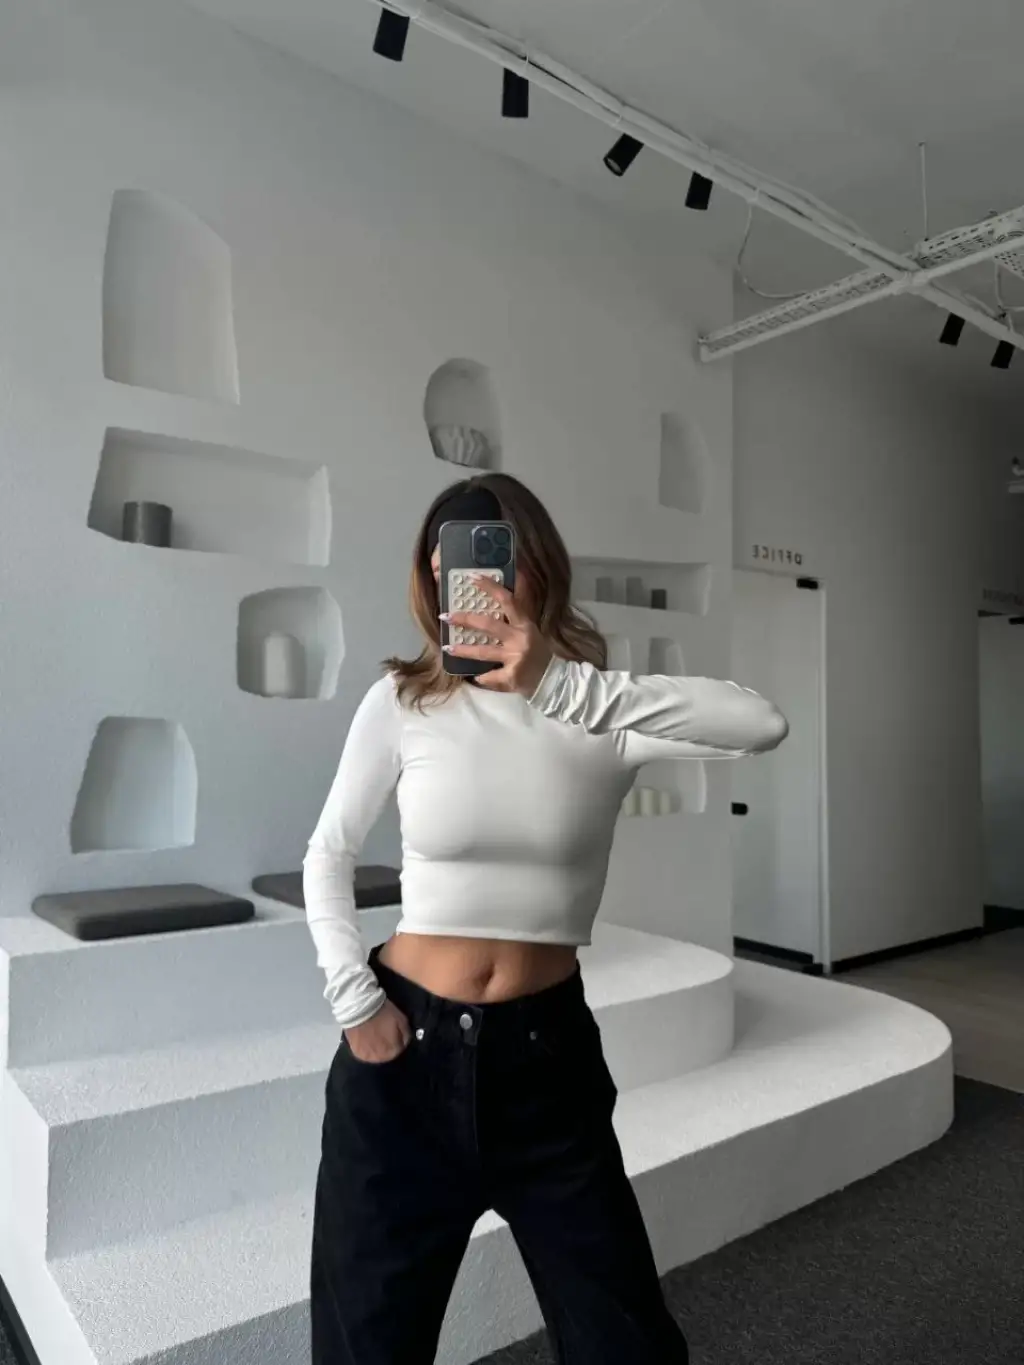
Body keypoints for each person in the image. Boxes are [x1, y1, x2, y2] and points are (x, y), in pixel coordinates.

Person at [305, 473, 788, 1365]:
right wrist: (353, 999)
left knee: (626, 1347)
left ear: (535, 565)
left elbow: (761, 722)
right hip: (404, 1065)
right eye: (447, 571)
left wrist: (560, 685)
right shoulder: (404, 701)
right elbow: (328, 851)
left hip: (546, 1065)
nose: (468, 588)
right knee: (366, 1350)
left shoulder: (598, 707)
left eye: (489, 562)